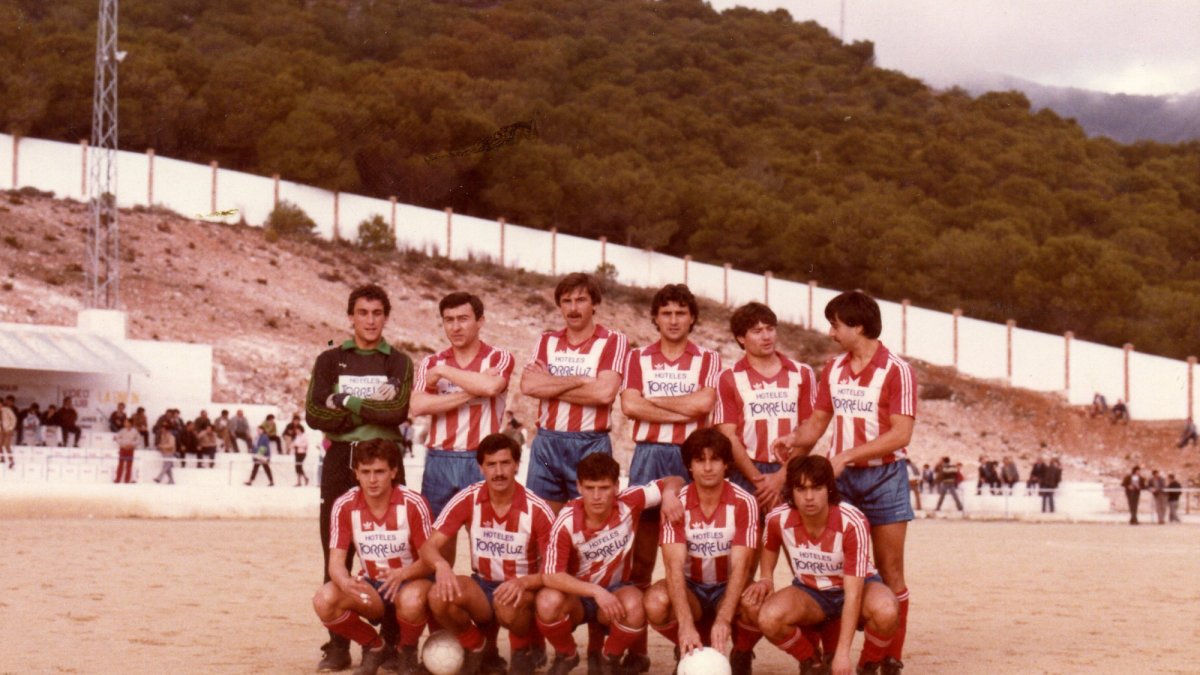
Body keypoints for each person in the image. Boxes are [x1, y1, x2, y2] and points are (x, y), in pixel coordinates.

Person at [772, 291, 917, 673]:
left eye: (836, 324)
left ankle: (888, 655)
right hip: (841, 478)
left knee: (890, 571)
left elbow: (902, 434)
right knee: (828, 568)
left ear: (859, 326)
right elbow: (818, 423)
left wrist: (847, 456)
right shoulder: (833, 368)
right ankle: (825, 655)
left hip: (884, 476)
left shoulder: (896, 370)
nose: (831, 332)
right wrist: (795, 438)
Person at [305, 283, 414, 672]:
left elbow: (396, 413)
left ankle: (394, 642)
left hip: (383, 460)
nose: (370, 320)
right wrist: (371, 407)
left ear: (386, 317)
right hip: (340, 461)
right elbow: (316, 415)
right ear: (350, 316)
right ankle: (337, 646)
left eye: (377, 313)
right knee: (335, 551)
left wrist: (346, 401)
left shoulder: (398, 361)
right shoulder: (330, 360)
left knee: (390, 549)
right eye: (363, 313)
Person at [620, 283, 721, 669]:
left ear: (692, 317)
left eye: (681, 312)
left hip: (693, 458)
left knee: (696, 553)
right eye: (666, 313)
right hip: (649, 456)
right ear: (655, 318)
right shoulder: (638, 357)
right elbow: (630, 405)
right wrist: (682, 410)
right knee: (642, 559)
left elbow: (704, 403)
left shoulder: (707, 358)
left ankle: (695, 643)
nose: (674, 320)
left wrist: (653, 403)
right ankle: (638, 647)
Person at [741, 455, 899, 675]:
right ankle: (812, 662)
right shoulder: (778, 517)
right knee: (768, 617)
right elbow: (770, 543)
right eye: (801, 489)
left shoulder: (852, 521)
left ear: (829, 489)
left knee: (886, 609)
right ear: (791, 492)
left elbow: (852, 594)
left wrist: (843, 654)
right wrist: (766, 576)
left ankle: (868, 665)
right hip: (811, 592)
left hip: (856, 589)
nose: (809, 497)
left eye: (816, 488)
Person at [419, 433, 556, 675]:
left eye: (505, 463)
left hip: (522, 591)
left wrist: (524, 582)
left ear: (516, 465)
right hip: (482, 586)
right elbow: (429, 546)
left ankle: (522, 651)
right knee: (439, 595)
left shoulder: (537, 509)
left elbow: (553, 569)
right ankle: (476, 647)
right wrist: (441, 567)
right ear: (481, 468)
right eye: (491, 464)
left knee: (507, 602)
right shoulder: (468, 497)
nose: (499, 471)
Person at [535, 452, 683, 675]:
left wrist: (670, 494)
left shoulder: (629, 502)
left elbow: (675, 480)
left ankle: (609, 658)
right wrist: (595, 591)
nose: (596, 496)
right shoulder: (566, 520)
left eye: (604, 488)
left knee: (635, 604)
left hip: (615, 592)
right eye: (590, 488)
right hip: (578, 596)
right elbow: (551, 576)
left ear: (616, 487)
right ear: (579, 487)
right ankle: (567, 654)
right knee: (547, 601)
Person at [311, 439, 434, 675]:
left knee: (411, 600)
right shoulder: (345, 505)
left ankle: (406, 650)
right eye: (365, 472)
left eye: (379, 471)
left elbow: (429, 560)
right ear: (356, 473)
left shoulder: (413, 503)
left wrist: (403, 574)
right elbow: (336, 562)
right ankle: (374, 646)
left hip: (409, 581)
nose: (372, 479)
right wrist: (345, 581)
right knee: (324, 599)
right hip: (372, 586)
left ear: (393, 471)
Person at [642, 429, 758, 674]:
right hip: (691, 587)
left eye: (715, 459)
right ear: (690, 466)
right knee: (655, 601)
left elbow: (741, 566)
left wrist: (724, 619)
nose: (708, 467)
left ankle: (742, 652)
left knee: (757, 604)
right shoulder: (677, 504)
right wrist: (684, 624)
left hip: (727, 585)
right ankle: (688, 649)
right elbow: (673, 567)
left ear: (726, 464)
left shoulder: (744, 502)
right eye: (700, 460)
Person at [519, 273, 628, 513]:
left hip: (590, 443)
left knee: (590, 529)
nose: (573, 308)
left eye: (580, 300)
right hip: (547, 441)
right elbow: (528, 386)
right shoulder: (546, 341)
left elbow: (603, 393)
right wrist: (580, 380)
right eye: (566, 301)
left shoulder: (613, 340)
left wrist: (549, 384)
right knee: (543, 524)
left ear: (595, 304)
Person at [410, 292, 515, 524]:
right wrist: (472, 388)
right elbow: (417, 406)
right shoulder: (431, 362)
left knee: (485, 538)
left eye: (463, 319)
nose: (456, 327)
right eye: (449, 320)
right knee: (436, 540)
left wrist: (445, 373)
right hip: (440, 458)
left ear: (480, 321)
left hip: (482, 458)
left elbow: (490, 387)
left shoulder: (499, 357)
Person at [714, 302, 816, 513]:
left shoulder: (802, 373)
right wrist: (759, 481)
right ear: (741, 338)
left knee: (795, 541)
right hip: (746, 470)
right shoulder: (729, 378)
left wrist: (781, 476)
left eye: (770, 328)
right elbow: (728, 436)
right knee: (749, 543)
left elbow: (810, 428)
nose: (766, 336)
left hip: (792, 468)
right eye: (757, 331)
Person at [114, 417, 140, 483]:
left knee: (129, 466)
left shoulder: (135, 431)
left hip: (130, 450)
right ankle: (117, 479)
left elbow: (138, 440)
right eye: (125, 422)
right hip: (123, 449)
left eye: (126, 422)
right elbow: (116, 437)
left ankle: (127, 480)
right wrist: (122, 444)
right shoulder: (122, 430)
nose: (125, 423)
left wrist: (132, 445)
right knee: (120, 465)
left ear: (130, 423)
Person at [1, 395, 17, 468]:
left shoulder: (7, 410)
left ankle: (11, 461)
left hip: (8, 430)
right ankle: (2, 458)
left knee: (7, 445)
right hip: (1, 430)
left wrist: (10, 428)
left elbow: (14, 419)